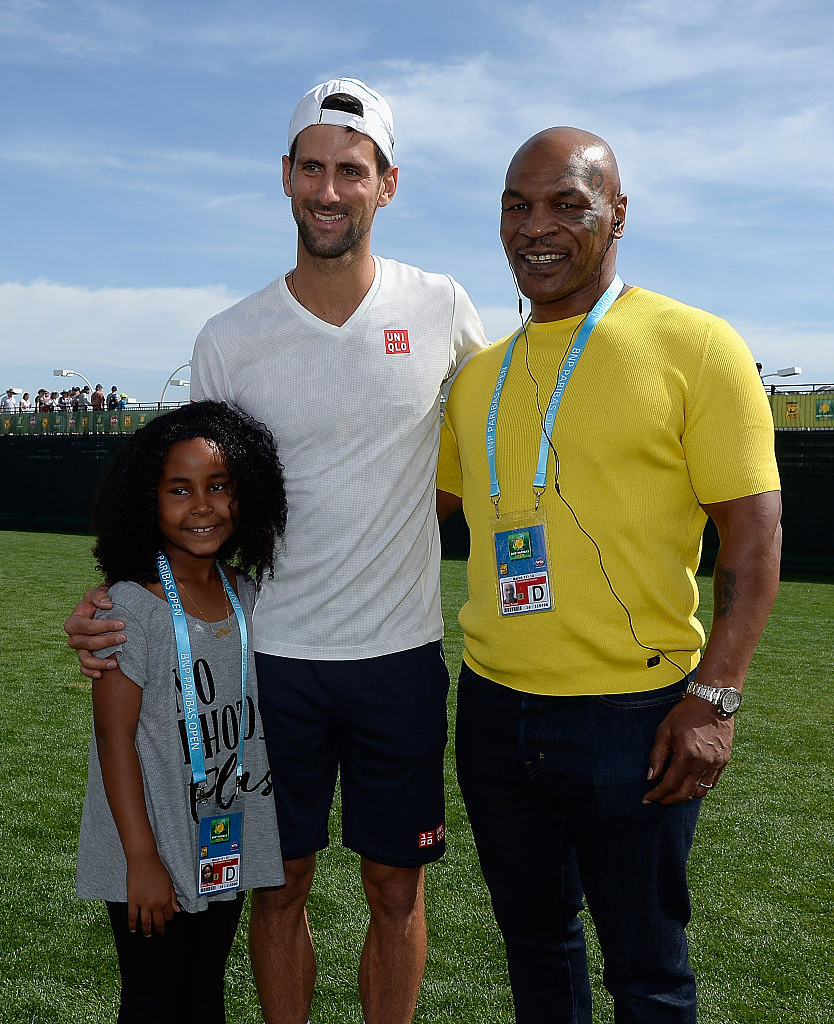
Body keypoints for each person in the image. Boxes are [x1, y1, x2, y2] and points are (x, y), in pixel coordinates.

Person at [64, 77, 487, 1024]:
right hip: (271, 661)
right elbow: (189, 497)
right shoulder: (230, 337)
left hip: (399, 655)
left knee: (395, 887)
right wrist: (110, 599)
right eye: (312, 168)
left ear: (387, 184)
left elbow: (485, 440)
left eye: (352, 171)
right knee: (278, 882)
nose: (328, 191)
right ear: (285, 176)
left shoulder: (442, 305)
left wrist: (401, 515)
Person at [436, 127, 782, 1023]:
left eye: (566, 204)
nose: (535, 227)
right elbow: (409, 516)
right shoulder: (477, 376)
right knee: (535, 948)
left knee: (648, 970)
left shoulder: (693, 343)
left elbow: (752, 535)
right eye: (516, 206)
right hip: (492, 708)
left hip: (636, 717)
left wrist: (716, 699)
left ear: (617, 213)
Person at [76, 400, 288, 1024]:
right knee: (153, 999)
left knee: (203, 994)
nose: (202, 506)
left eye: (219, 486)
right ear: (147, 500)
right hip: (150, 840)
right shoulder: (129, 608)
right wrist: (141, 859)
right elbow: (114, 741)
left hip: (221, 837)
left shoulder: (247, 593)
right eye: (179, 489)